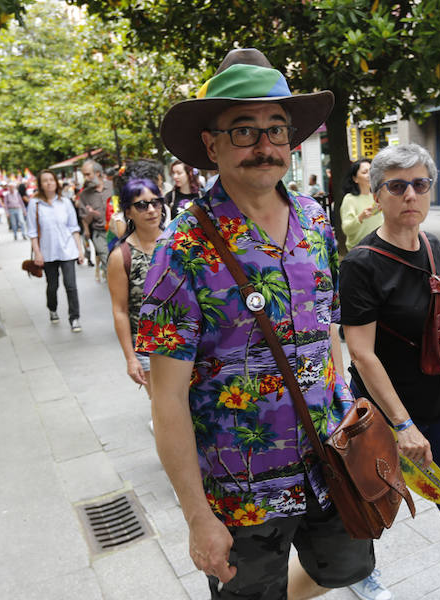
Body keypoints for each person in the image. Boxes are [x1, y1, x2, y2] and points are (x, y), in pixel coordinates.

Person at [136, 48, 375, 600]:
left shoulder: (316, 220)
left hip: (329, 465)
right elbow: (166, 399)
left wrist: (344, 404)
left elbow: (328, 331)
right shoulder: (181, 249)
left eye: (276, 129)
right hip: (240, 488)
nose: (264, 146)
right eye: (243, 131)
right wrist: (198, 518)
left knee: (347, 568)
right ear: (211, 144)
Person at [340, 143, 440, 600]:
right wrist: (403, 424)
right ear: (377, 196)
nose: (410, 195)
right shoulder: (361, 264)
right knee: (369, 506)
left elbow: (439, 319)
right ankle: (358, 571)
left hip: (437, 412)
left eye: (419, 184)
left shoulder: (435, 247)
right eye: (396, 186)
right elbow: (362, 353)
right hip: (384, 420)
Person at [107, 177, 164, 401]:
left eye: (155, 202)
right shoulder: (121, 256)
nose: (151, 210)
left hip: (187, 342)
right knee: (164, 407)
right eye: (142, 205)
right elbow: (120, 310)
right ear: (128, 212)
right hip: (147, 348)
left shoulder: (178, 243)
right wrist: (131, 358)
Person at [28, 169, 85, 332]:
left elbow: (74, 227)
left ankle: (75, 318)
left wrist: (80, 251)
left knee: (71, 285)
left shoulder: (65, 202)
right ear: (40, 184)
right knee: (52, 286)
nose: (49, 183)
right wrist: (37, 252)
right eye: (45, 180)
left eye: (51, 180)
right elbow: (32, 231)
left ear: (56, 182)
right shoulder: (35, 204)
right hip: (47, 252)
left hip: (67, 250)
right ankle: (52, 308)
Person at [79, 159, 112, 282]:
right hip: (99, 234)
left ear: (98, 173)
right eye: (84, 175)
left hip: (117, 232)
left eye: (88, 174)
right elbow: (85, 219)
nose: (86, 178)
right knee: (107, 261)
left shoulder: (113, 187)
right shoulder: (84, 195)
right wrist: (90, 214)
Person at [339, 157, 381, 251]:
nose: (369, 175)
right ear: (355, 179)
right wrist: (361, 217)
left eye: (371, 171)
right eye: (365, 172)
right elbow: (347, 229)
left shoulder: (377, 196)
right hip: (359, 252)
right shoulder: (350, 199)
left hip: (379, 249)